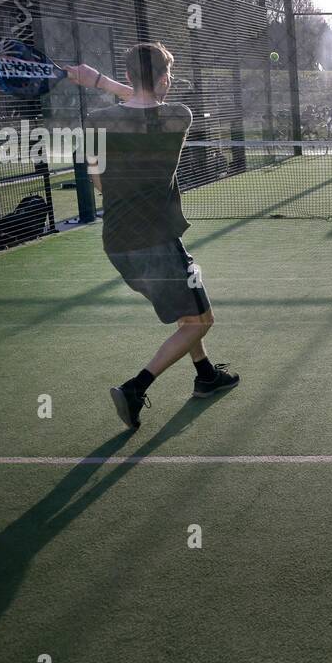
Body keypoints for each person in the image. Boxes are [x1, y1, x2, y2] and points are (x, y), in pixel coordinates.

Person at [64, 42, 239, 430]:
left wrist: (99, 82)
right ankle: (135, 388)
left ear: (127, 75)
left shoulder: (95, 122)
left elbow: (98, 184)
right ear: (163, 79)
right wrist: (103, 81)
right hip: (156, 242)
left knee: (187, 310)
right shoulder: (179, 116)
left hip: (117, 244)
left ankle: (206, 374)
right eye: (167, 76)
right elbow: (147, 103)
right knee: (200, 320)